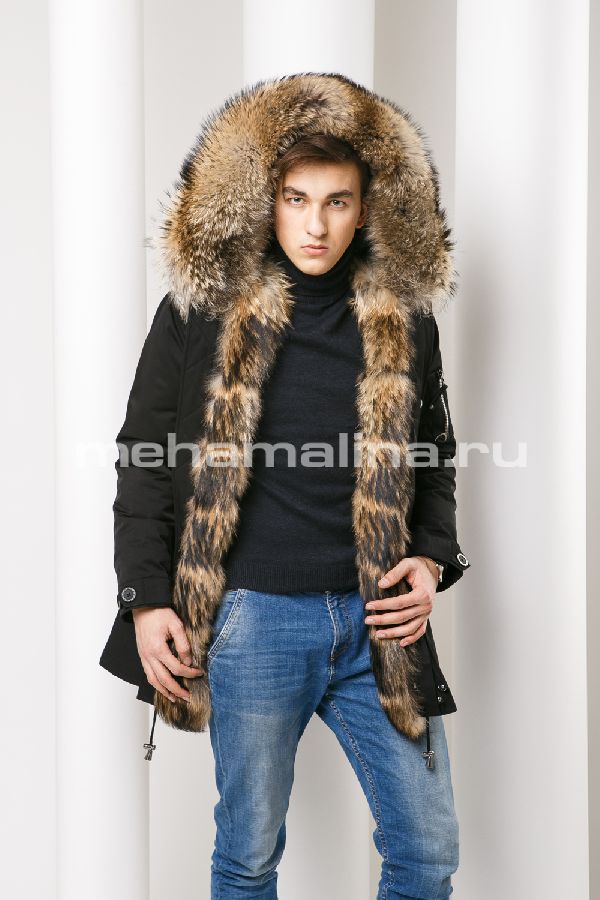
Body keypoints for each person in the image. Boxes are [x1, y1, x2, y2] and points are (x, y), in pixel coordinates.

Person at [99, 72, 471, 899]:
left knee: (427, 851)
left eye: (337, 202)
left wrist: (431, 557)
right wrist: (147, 598)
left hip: (379, 620)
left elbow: (435, 453)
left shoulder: (405, 318)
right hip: (253, 620)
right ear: (268, 201)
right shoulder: (203, 310)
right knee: (249, 855)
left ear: (366, 209)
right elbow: (143, 454)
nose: (316, 224)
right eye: (296, 199)